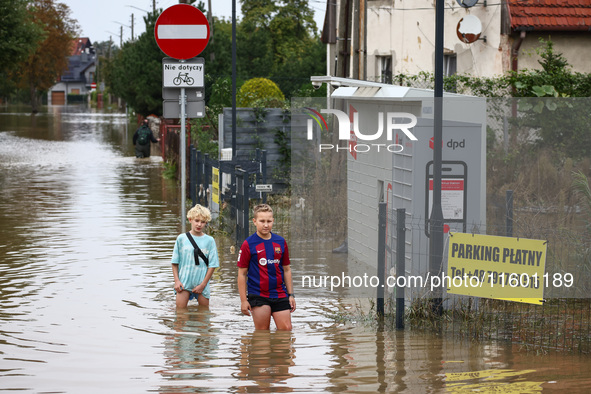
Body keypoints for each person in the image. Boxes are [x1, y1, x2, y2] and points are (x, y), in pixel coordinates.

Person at [237, 203, 296, 330]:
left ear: (273, 221)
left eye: (269, 221)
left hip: (280, 293)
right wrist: (243, 301)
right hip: (258, 294)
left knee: (286, 330)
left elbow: (286, 269)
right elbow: (241, 274)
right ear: (254, 221)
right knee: (262, 334)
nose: (265, 224)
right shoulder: (248, 244)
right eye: (262, 221)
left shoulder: (280, 242)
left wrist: (291, 294)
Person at [171, 204, 219, 309]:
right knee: (180, 315)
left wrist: (203, 285)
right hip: (184, 283)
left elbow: (213, 265)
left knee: (204, 316)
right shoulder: (181, 239)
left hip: (202, 282)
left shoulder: (210, 241)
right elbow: (175, 262)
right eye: (196, 220)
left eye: (203, 222)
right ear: (190, 220)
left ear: (206, 223)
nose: (199, 224)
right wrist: (177, 281)